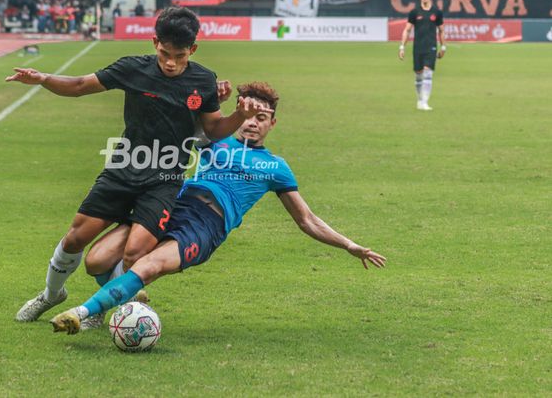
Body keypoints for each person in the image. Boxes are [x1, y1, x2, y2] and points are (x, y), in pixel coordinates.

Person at [49, 82, 387, 334]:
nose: (253, 122)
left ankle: (81, 314)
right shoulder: (216, 139)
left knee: (149, 265)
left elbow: (307, 220)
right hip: (172, 202)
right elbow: (186, 110)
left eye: (263, 117)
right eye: (250, 115)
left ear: (272, 124)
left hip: (206, 225)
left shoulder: (275, 167)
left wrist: (348, 244)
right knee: (96, 260)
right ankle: (117, 302)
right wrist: (212, 96)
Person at [5, 6, 270, 324]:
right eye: (165, 53)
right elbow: (78, 86)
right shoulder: (132, 69)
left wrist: (238, 116)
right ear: (154, 42)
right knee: (76, 238)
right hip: (123, 170)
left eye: (180, 55)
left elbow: (213, 129)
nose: (171, 62)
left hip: (165, 179)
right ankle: (51, 295)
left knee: (135, 253)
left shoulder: (203, 79)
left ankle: (101, 310)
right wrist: (43, 78)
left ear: (193, 50)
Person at [398, 0, 446, 111]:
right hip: (418, 48)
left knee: (428, 73)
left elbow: (441, 31)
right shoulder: (414, 12)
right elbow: (407, 30)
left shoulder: (437, 12)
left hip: (431, 47)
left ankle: (425, 102)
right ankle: (420, 100)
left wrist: (443, 47)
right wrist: (402, 47)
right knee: (419, 75)